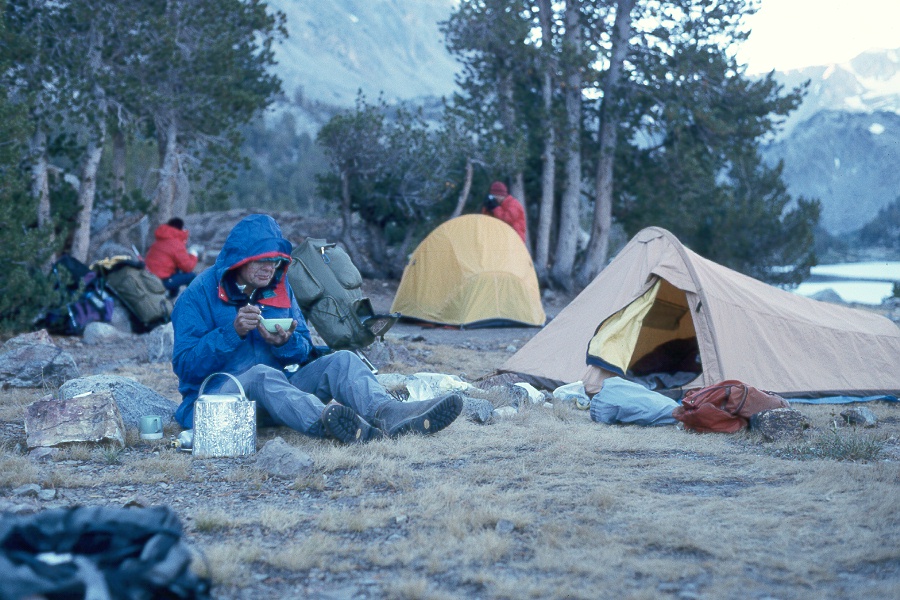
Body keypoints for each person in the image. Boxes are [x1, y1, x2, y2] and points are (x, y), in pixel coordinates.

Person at [170, 213, 463, 444]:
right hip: (223, 402)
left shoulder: (278, 287)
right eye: (261, 260)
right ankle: (330, 425)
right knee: (261, 375)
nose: (269, 268)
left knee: (343, 360)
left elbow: (304, 348)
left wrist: (284, 343)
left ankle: (389, 414)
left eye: (276, 261)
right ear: (239, 260)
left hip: (282, 400)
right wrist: (231, 333)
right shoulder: (198, 295)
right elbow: (185, 367)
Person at [145, 217, 199, 298]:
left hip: (148, 278)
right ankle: (196, 302)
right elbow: (188, 267)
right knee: (191, 276)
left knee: (175, 270)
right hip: (162, 281)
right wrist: (193, 255)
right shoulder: (176, 244)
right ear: (181, 228)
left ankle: (170, 298)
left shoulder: (159, 241)